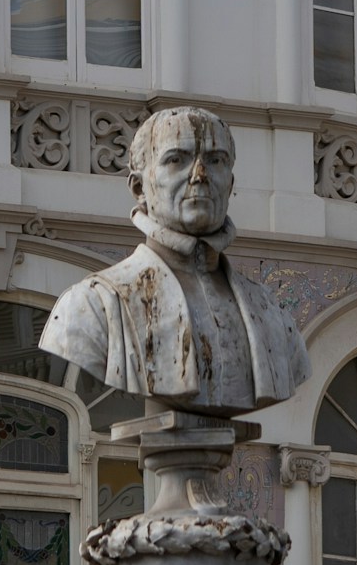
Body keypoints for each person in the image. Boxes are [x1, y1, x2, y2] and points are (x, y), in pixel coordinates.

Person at [39, 103, 309, 410]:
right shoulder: (91, 306)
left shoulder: (271, 315)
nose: (199, 175)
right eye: (176, 160)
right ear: (139, 187)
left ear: (231, 185)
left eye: (215, 160)